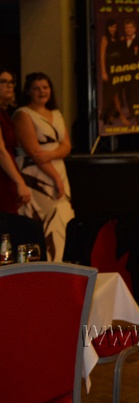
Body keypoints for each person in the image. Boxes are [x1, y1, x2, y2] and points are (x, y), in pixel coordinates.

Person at [12, 72, 74, 261]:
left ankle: (63, 264)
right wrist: (55, 178)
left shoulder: (56, 113)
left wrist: (51, 155)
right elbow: (34, 152)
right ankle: (45, 266)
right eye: (36, 88)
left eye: (45, 87)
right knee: (45, 220)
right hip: (36, 174)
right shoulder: (23, 114)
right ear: (28, 91)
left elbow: (67, 146)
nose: (42, 91)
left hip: (58, 169)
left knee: (63, 218)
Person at [1, 69, 31, 214]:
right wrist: (19, 182)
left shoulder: (4, 112)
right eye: (3, 82)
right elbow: (1, 151)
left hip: (7, 172)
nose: (9, 86)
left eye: (11, 82)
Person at [98, 18, 126, 125]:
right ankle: (117, 115)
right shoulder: (105, 39)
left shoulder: (117, 39)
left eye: (114, 27)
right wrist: (103, 72)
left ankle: (113, 114)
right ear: (107, 27)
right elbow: (102, 56)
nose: (113, 29)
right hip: (109, 69)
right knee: (111, 93)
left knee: (117, 92)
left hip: (118, 69)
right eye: (111, 27)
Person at [121, 18, 139, 125]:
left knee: (138, 97)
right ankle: (132, 113)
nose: (128, 29)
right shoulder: (122, 42)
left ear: (135, 29)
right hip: (126, 75)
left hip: (137, 74)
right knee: (128, 96)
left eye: (130, 27)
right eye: (126, 28)